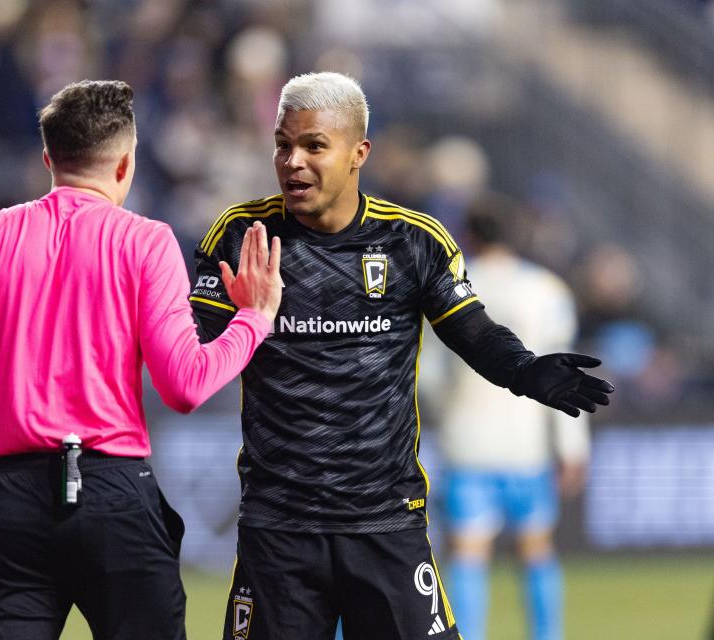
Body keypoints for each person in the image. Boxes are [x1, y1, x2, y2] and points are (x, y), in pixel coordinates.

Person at [188, 71, 613, 640]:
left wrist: (525, 370)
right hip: (278, 530)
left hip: (385, 524)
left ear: (359, 152)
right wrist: (239, 319)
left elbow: (474, 332)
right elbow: (187, 352)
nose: (293, 161)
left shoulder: (413, 240)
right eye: (283, 145)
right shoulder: (243, 236)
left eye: (314, 145)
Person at [0, 79, 282, 640]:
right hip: (113, 494)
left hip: (9, 502)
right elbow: (185, 385)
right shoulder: (147, 243)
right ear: (125, 164)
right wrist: (253, 319)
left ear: (49, 158)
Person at [435, 200, 589, 640]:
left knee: (467, 553)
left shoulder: (451, 284)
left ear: (469, 235)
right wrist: (572, 447)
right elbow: (566, 374)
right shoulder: (547, 289)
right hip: (527, 441)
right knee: (537, 549)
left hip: (469, 440)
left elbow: (430, 376)